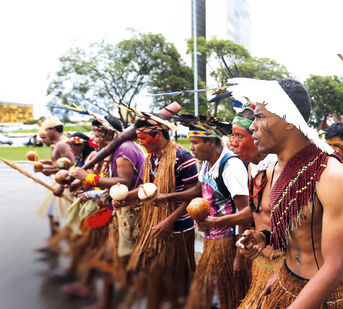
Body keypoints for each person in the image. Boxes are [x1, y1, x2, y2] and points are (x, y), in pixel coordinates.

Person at [232, 78, 343, 308]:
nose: (252, 126)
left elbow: (335, 267)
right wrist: (263, 237)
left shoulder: (330, 174)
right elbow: (294, 229)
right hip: (288, 281)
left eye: (260, 116)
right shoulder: (272, 167)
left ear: (288, 120)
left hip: (326, 295)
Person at [118, 114, 200, 309]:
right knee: (153, 277)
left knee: (174, 280)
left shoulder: (183, 157)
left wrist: (169, 221)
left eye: (143, 138)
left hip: (177, 229)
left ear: (156, 133)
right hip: (153, 225)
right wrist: (124, 197)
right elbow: (147, 188)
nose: (141, 142)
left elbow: (194, 194)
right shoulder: (151, 158)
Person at [66, 114, 145, 308]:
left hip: (131, 211)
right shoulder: (115, 150)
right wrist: (91, 194)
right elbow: (113, 186)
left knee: (112, 258)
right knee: (108, 257)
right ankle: (108, 298)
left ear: (110, 132)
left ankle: (113, 300)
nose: (96, 139)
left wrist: (89, 179)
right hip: (119, 210)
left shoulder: (125, 148)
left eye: (99, 134)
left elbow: (124, 183)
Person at [183, 118, 251, 309]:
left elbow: (247, 213)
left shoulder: (231, 167)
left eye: (195, 143)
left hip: (230, 244)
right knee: (215, 295)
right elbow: (199, 189)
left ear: (211, 142)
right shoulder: (206, 163)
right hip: (213, 241)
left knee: (232, 296)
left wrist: (239, 255)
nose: (192, 148)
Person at [226, 107, 283, 309]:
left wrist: (286, 273)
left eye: (239, 136)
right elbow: (255, 211)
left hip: (283, 267)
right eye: (232, 136)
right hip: (261, 263)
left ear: (256, 137)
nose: (233, 143)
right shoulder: (252, 167)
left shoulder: (280, 168)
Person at [35, 117, 75, 252]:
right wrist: (46, 165)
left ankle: (65, 244)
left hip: (64, 182)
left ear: (53, 130)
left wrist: (50, 170)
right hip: (60, 180)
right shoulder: (59, 143)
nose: (45, 133)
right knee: (53, 214)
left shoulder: (62, 144)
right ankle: (54, 243)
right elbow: (60, 163)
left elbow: (71, 164)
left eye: (47, 129)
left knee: (59, 214)